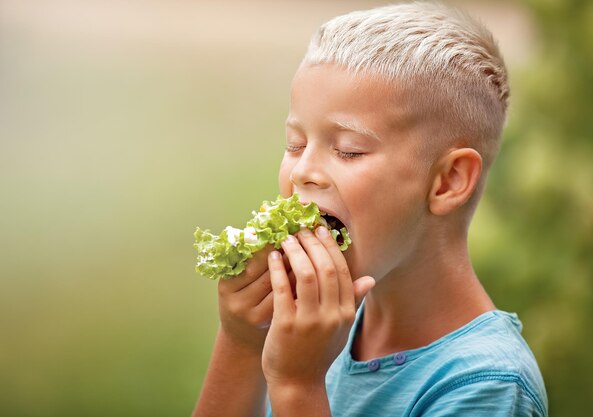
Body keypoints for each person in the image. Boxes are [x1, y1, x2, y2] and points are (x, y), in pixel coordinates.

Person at [192, 2, 547, 416]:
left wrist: (297, 386)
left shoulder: (488, 386)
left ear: (448, 181)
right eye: (295, 144)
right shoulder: (311, 327)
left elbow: (297, 383)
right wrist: (241, 344)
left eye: (349, 150)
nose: (304, 170)